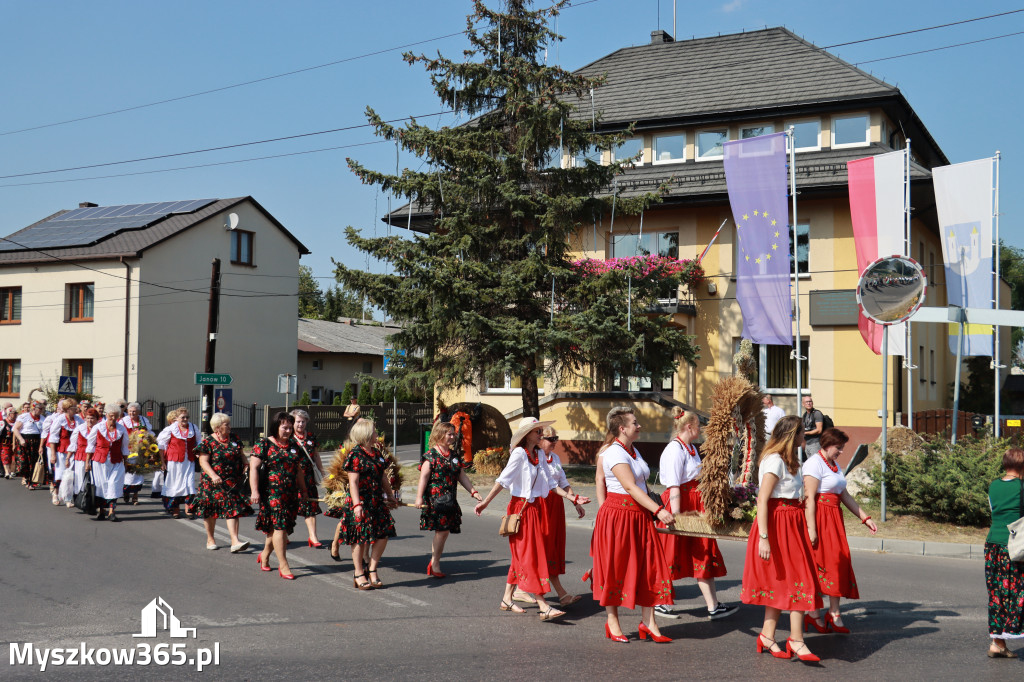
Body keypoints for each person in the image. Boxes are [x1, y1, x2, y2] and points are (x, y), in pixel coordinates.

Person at [475, 417, 586, 621]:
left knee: (524, 556)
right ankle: (544, 605)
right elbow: (503, 480)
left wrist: (573, 497)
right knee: (531, 556)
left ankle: (507, 599)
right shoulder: (519, 454)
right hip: (521, 509)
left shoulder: (538, 455)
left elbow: (551, 484)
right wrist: (486, 503)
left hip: (534, 509)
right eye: (537, 431)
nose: (541, 434)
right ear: (527, 435)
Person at [741, 416, 823, 662]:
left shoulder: (791, 460)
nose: (804, 437)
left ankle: (767, 636)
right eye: (801, 433)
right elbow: (762, 500)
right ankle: (796, 640)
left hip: (791, 523)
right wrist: (763, 538)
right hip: (777, 526)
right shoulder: (774, 460)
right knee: (800, 580)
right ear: (792, 435)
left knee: (784, 583)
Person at [589, 407, 674, 642]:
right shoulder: (614, 452)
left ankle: (649, 622)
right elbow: (629, 486)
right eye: (635, 423)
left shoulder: (632, 450)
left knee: (650, 567)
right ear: (622, 428)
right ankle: (612, 622)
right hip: (620, 516)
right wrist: (658, 509)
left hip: (638, 515)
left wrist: (653, 509)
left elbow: (642, 486)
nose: (639, 426)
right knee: (615, 569)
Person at [656, 409, 737, 620]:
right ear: (689, 427)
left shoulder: (690, 448)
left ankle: (713, 606)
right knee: (670, 554)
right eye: (698, 425)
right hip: (680, 505)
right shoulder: (674, 450)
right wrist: (677, 518)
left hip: (695, 504)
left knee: (704, 551)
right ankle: (659, 601)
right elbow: (674, 486)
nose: (700, 429)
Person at [802, 428, 877, 634]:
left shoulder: (834, 465)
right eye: (839, 447)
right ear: (827, 445)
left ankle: (834, 613)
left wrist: (865, 517)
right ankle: (814, 614)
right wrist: (812, 529)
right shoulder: (813, 464)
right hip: (819, 518)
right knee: (819, 566)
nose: (842, 451)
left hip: (834, 519)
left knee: (837, 562)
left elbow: (844, 495)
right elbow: (809, 499)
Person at [525, 425, 585, 606]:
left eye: (556, 438)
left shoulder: (556, 458)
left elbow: (564, 483)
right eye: (551, 439)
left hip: (555, 506)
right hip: (541, 504)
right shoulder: (533, 457)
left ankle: (514, 591)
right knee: (540, 549)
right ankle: (558, 594)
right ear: (540, 440)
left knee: (551, 548)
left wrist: (574, 501)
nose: (555, 442)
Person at [335, 418, 399, 589]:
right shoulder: (355, 454)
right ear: (367, 434)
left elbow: (383, 476)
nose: (377, 434)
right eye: (374, 432)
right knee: (360, 537)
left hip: (376, 500)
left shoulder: (376, 452)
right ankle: (358, 573)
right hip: (361, 501)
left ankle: (372, 569)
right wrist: (357, 506)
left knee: (383, 534)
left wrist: (391, 495)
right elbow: (353, 483)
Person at [415, 421, 482, 578]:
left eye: (453, 434)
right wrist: (419, 498)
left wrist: (473, 492)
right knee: (442, 531)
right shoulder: (430, 456)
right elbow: (423, 478)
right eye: (449, 434)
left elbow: (461, 476)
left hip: (449, 500)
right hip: (435, 500)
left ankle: (434, 562)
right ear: (440, 434)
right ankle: (435, 563)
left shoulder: (453, 456)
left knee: (443, 532)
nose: (453, 437)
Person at [249, 412, 309, 580]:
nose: (288, 431)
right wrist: (254, 491)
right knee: (280, 527)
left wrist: (304, 491)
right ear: (276, 427)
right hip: (271, 493)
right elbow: (253, 468)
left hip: (290, 494)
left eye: (290, 428)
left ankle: (265, 555)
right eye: (285, 427)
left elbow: (298, 470)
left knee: (278, 530)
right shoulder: (264, 444)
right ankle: (284, 565)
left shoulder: (294, 445)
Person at [984, 446, 1024, 658]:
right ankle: (1003, 639)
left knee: (997, 594)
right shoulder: (1022, 487)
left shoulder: (993, 486)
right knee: (1017, 592)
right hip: (1015, 546)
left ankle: (997, 643)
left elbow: (994, 511)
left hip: (992, 545)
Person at [193, 413, 252, 552]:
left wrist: (246, 465)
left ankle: (235, 541)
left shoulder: (235, 439)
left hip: (232, 481)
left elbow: (241, 454)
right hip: (213, 483)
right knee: (210, 511)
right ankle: (210, 539)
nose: (230, 427)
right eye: (227, 425)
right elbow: (203, 461)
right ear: (217, 428)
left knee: (233, 509)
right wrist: (213, 475)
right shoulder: (208, 442)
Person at [85, 405, 129, 522]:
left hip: (116, 461)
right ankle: (102, 512)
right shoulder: (98, 427)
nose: (113, 419)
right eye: (111, 416)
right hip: (99, 461)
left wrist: (126, 462)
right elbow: (91, 445)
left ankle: (112, 512)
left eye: (115, 416)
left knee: (113, 485)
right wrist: (87, 462)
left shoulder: (121, 429)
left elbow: (124, 447)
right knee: (101, 486)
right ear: (106, 415)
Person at [291, 409, 325, 548]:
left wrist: (322, 471)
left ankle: (313, 536)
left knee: (310, 506)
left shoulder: (311, 437)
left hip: (308, 478)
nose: (300, 424)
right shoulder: (289, 437)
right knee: (290, 506)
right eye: (298, 421)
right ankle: (284, 533)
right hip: (292, 478)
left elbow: (316, 455)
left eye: (303, 421)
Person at [157, 409, 200, 519]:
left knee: (189, 484)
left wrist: (199, 454)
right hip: (174, 462)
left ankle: (188, 508)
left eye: (187, 417)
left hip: (189, 461)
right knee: (175, 484)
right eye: (182, 417)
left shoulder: (193, 428)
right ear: (177, 418)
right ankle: (175, 509)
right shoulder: (170, 429)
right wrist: (162, 462)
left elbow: (199, 443)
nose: (185, 419)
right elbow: (161, 446)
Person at [48, 399, 81, 506]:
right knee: (60, 473)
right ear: (67, 409)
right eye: (73, 408)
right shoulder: (60, 419)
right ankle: (56, 493)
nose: (75, 410)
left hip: (74, 451)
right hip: (61, 451)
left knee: (71, 475)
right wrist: (53, 454)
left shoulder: (78, 420)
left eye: (76, 408)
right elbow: (53, 437)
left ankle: (67, 497)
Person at [120, 402, 154, 505]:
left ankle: (135, 496)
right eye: (130, 411)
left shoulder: (143, 420)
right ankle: (126, 492)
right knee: (128, 471)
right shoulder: (123, 421)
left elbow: (149, 432)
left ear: (138, 412)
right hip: (128, 449)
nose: (132, 413)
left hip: (140, 449)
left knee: (138, 472)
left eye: (134, 411)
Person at [66, 408, 100, 502]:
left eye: (92, 418)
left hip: (95, 457)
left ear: (97, 419)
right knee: (80, 478)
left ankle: (93, 500)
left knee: (94, 479)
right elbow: (73, 444)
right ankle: (81, 499)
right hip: (81, 457)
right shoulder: (79, 429)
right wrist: (68, 458)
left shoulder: (101, 429)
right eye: (88, 418)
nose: (89, 420)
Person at [13, 401, 46, 489]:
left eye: (42, 409)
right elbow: (15, 429)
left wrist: (41, 446)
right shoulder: (24, 417)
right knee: (24, 462)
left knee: (34, 462)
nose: (41, 410)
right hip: (24, 441)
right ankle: (25, 477)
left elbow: (44, 432)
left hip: (36, 441)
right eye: (39, 408)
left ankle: (31, 481)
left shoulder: (43, 419)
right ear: (34, 408)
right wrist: (21, 439)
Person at [1, 405, 18, 478]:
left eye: (15, 413)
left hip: (16, 443)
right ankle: (7, 472)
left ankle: (12, 471)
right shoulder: (3, 422)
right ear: (8, 414)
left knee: (14, 457)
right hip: (5, 443)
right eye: (13, 413)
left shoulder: (17, 422)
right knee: (6, 457)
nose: (14, 415)